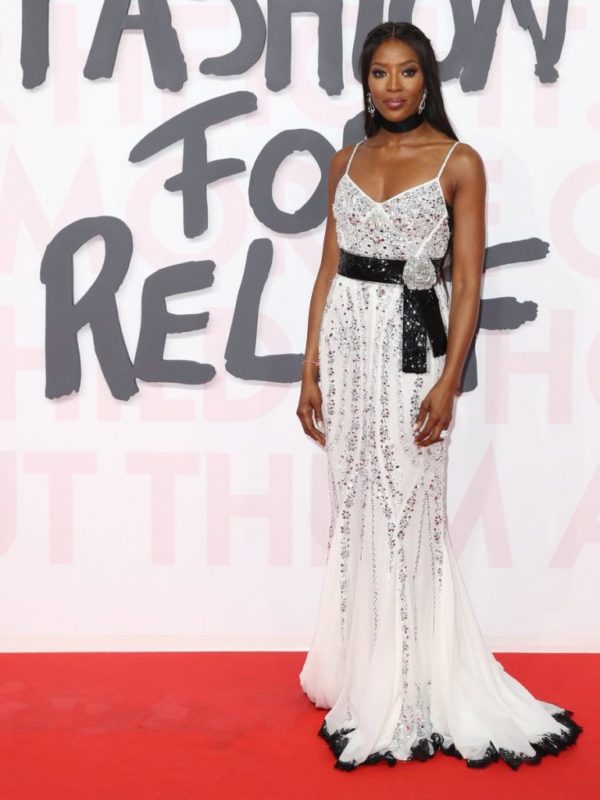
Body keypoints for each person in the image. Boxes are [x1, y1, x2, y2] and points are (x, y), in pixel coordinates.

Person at [295, 21, 582, 771]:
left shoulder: (460, 162)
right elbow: (327, 270)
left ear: (428, 80)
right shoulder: (345, 161)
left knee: (410, 506)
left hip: (412, 348)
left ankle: (411, 683)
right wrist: (309, 368)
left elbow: (469, 281)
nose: (393, 86)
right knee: (354, 500)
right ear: (366, 82)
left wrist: (450, 378)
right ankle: (361, 670)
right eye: (380, 73)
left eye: (407, 71)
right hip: (347, 345)